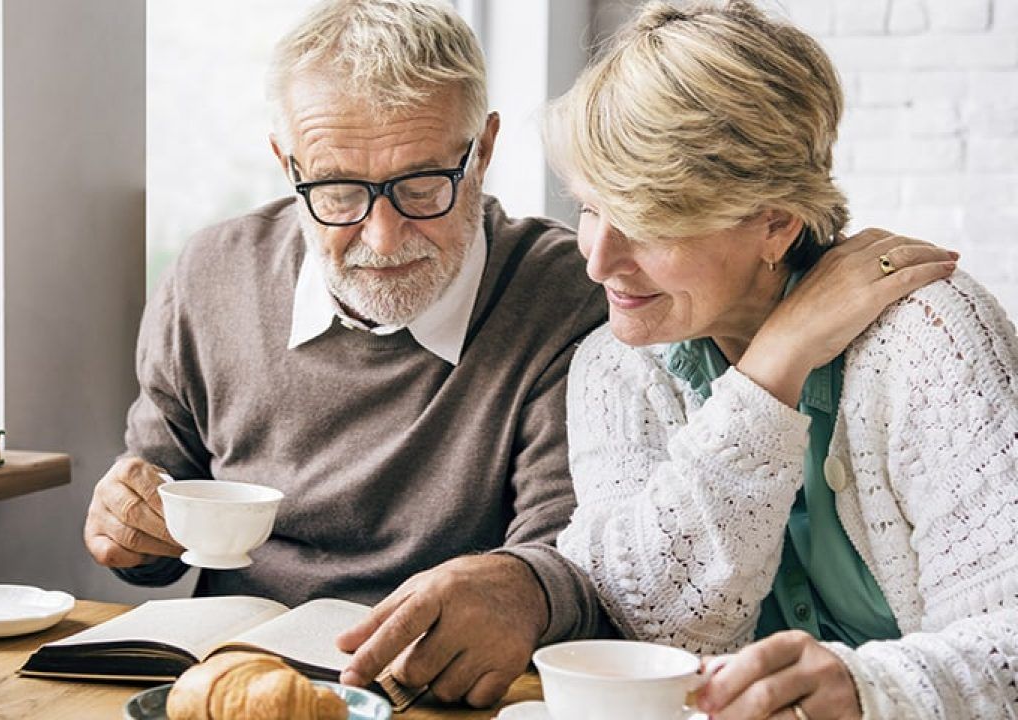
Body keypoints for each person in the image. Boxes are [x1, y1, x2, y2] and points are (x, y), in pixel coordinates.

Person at [82, 0, 608, 707]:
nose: (384, 238)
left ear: (482, 150)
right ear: (286, 161)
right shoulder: (209, 274)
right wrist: (129, 521)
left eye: (423, 186)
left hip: (448, 691)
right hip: (236, 686)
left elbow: (578, 555)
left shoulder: (566, 293)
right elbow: (160, 503)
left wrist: (531, 588)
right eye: (337, 191)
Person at [548, 1, 1018, 719]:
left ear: (774, 222)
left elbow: (1010, 645)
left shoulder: (932, 335)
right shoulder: (616, 369)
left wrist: (869, 693)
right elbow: (655, 628)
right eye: (589, 208)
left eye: (647, 220)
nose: (599, 261)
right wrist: (772, 368)